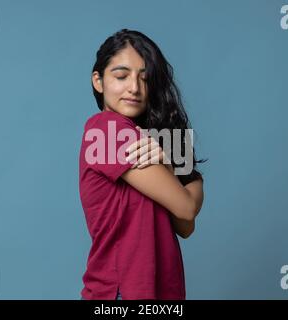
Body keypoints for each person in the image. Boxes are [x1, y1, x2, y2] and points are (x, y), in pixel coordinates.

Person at [79, 29, 205, 300]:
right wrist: (178, 170)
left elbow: (186, 226)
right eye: (121, 76)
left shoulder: (149, 140)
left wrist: (170, 164)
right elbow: (186, 206)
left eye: (144, 78)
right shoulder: (107, 130)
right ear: (98, 81)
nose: (134, 88)